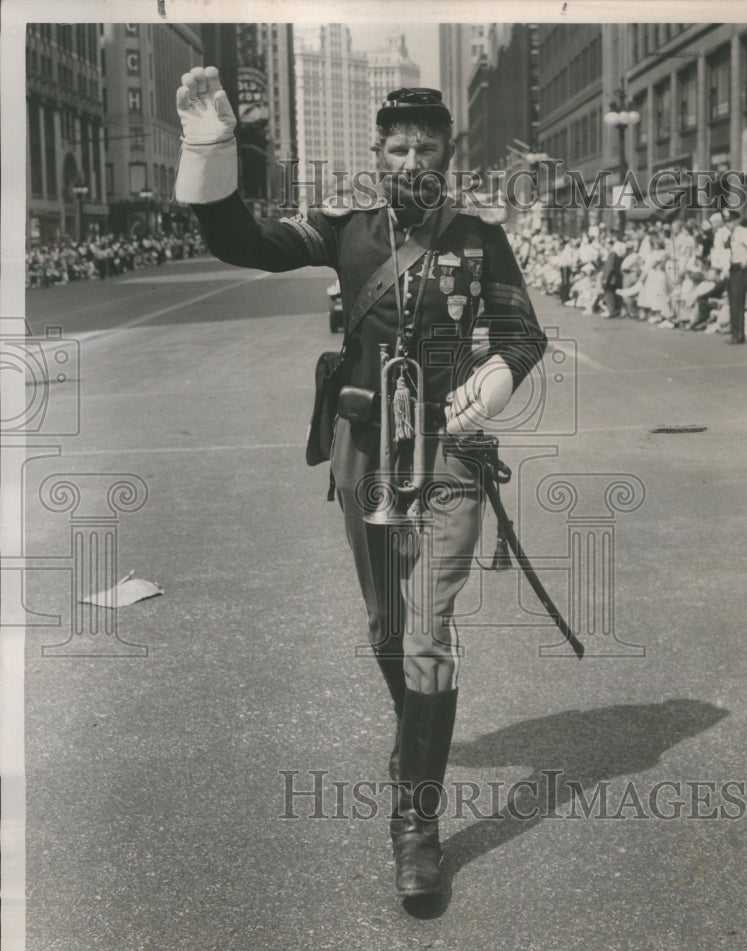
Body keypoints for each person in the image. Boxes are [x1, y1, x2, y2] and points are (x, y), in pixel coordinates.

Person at [174, 67, 547, 899]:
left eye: (426, 145)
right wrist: (211, 150)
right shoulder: (344, 228)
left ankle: (415, 823)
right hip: (365, 450)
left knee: (428, 633)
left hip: (447, 454)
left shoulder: (479, 237)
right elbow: (245, 245)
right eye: (397, 145)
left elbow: (523, 334)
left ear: (446, 155)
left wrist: (485, 389)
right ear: (377, 155)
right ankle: (414, 734)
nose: (411, 156)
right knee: (385, 625)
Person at [724, 210, 747, 345]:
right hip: (733, 269)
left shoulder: (742, 232)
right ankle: (736, 333)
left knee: (737, 302)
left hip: (740, 270)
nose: (729, 224)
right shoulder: (731, 234)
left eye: (730, 221)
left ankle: (738, 335)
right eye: (727, 221)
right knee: (733, 301)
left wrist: (746, 259)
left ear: (735, 221)